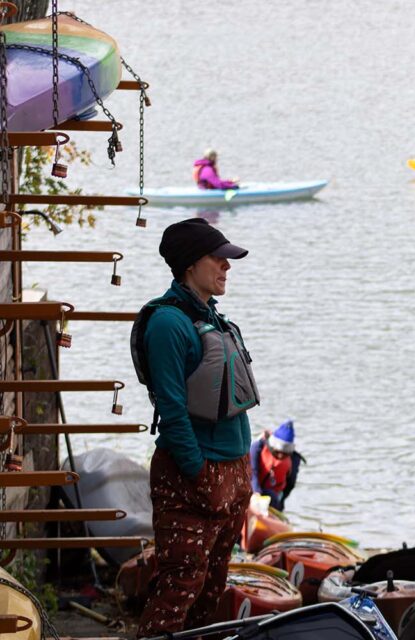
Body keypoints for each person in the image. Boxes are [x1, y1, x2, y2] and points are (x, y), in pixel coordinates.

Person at [132, 218, 258, 637]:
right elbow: (171, 408)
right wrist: (199, 473)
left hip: (234, 470)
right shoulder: (168, 324)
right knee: (180, 586)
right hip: (193, 474)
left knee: (212, 586)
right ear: (190, 265)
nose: (227, 267)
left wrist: (241, 474)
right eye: (218, 259)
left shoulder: (211, 316)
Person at [250, 420, 305, 511]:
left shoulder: (294, 459)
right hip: (252, 491)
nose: (280, 456)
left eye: (284, 454)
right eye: (277, 452)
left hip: (272, 497)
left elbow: (290, 485)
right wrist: (256, 493)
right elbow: (252, 472)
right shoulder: (257, 448)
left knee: (272, 497)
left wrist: (281, 503)